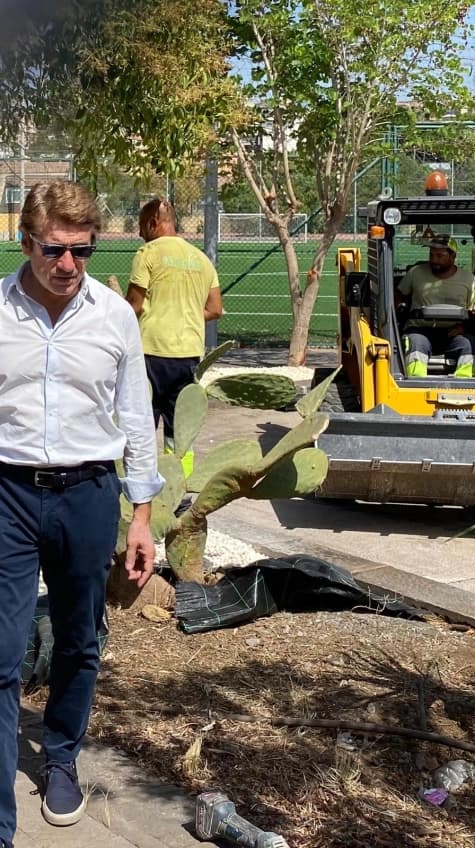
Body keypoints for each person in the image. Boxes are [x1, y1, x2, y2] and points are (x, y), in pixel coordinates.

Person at [0, 181, 163, 846]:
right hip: (6, 490)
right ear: (26, 240)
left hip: (90, 493)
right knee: (4, 653)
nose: (68, 265)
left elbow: (135, 415)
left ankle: (62, 755)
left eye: (83, 251)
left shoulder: (113, 316)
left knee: (79, 640)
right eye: (54, 250)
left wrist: (144, 516)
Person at [124, 198, 222, 470]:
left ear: (154, 223)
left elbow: (133, 305)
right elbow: (215, 309)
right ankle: (178, 489)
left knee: (140, 426)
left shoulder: (148, 253)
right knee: (179, 427)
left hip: (150, 353)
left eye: (142, 226)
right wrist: (185, 312)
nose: (140, 233)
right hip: (188, 354)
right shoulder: (201, 259)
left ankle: (138, 487)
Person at [396, 234, 475, 377]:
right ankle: (416, 384)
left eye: (439, 256)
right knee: (415, 344)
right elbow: (398, 294)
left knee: (470, 346)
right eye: (431, 254)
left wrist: (464, 328)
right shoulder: (416, 273)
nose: (433, 259)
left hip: (454, 333)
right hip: (420, 330)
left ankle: (464, 384)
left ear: (452, 256)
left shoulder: (469, 280)